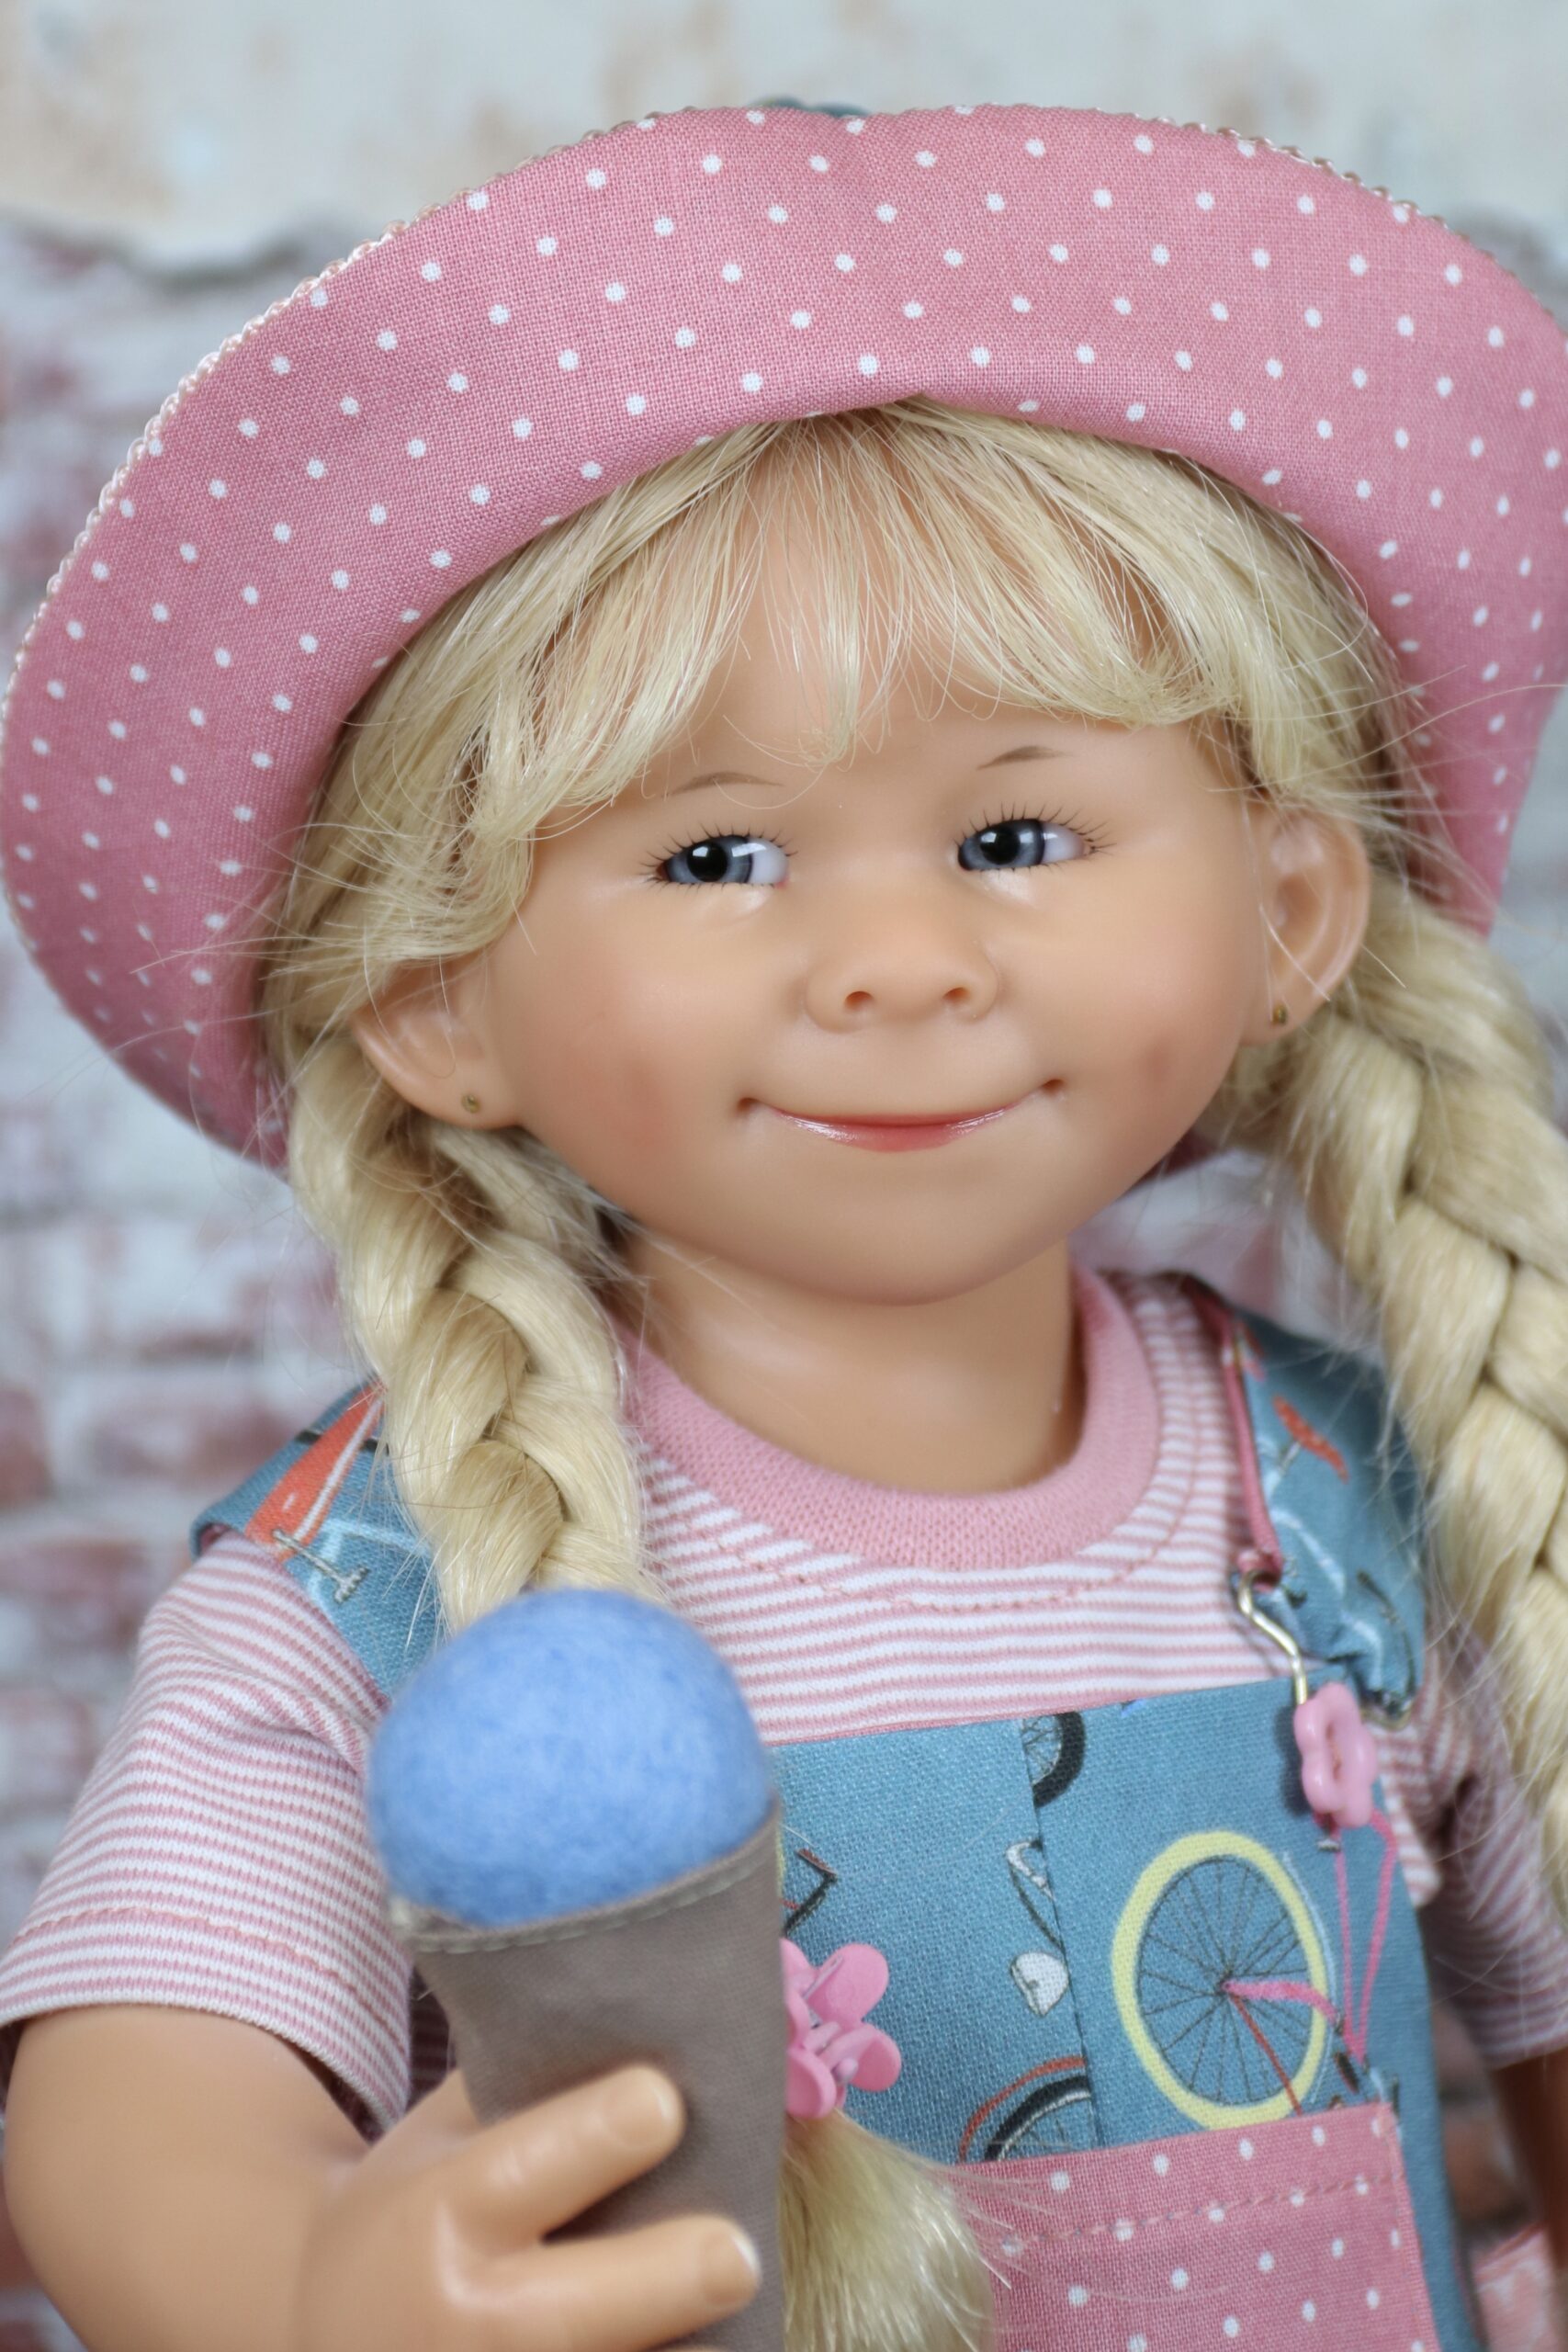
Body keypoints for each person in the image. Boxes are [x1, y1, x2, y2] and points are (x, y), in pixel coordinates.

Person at [0, 99, 1565, 2352]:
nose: (898, 964)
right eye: (716, 858)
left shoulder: (1360, 1505)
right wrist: (303, 2279)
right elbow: (135, 2091)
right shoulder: (379, 1586)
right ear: (436, 996)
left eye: (1017, 835)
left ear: (1288, 908)